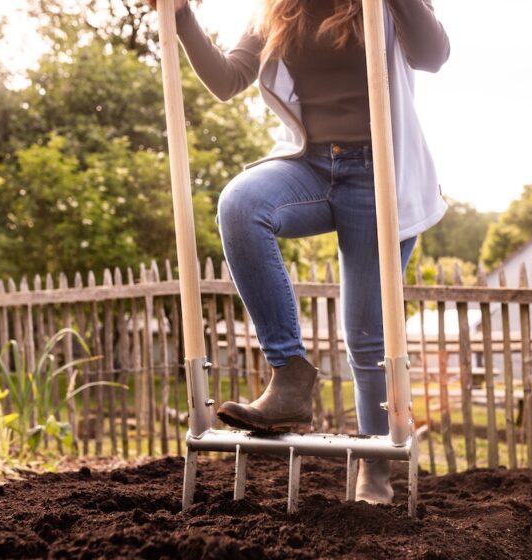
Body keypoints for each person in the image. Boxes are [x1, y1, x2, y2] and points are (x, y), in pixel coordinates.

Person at [148, 0, 450, 504]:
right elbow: (228, 79)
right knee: (241, 204)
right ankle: (289, 374)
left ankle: (375, 468)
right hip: (310, 165)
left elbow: (433, 54)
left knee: (369, 338)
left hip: (381, 176)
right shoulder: (278, 10)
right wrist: (180, 17)